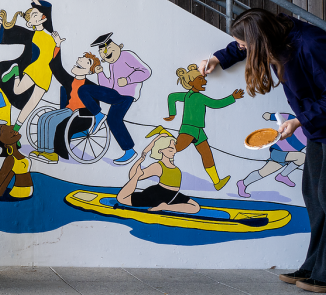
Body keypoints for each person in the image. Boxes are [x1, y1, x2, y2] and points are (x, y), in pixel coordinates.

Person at [200, 8, 326, 292]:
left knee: (325, 197)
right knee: (314, 197)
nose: (242, 49)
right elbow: (243, 44)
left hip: (318, 121)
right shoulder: (274, 36)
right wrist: (221, 57)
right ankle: (315, 266)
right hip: (319, 127)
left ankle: (325, 272)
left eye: (245, 46)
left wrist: (298, 120)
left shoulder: (311, 44)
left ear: (259, 41)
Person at [0, 0, 56, 131]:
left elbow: (47, 11)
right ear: (30, 23)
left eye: (38, 13)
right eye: (34, 16)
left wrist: (35, 0)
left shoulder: (50, 32)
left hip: (47, 74)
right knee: (17, 92)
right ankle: (16, 72)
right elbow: (12, 29)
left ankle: (15, 131)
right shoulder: (33, 35)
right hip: (35, 70)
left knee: (32, 104)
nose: (39, 15)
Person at [165, 64, 243, 191]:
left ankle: (217, 182)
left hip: (199, 131)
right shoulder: (197, 97)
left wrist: (172, 114)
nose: (205, 81)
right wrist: (232, 97)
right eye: (200, 79)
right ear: (191, 82)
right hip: (189, 129)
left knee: (207, 155)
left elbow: (172, 97)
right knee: (174, 149)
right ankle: (161, 137)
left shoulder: (188, 96)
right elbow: (216, 104)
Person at [80, 32, 152, 165]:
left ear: (118, 46)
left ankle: (129, 151)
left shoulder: (126, 55)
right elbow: (109, 85)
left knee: (113, 120)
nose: (105, 53)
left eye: (107, 49)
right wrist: (100, 73)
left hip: (125, 96)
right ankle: (98, 116)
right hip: (116, 94)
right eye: (102, 52)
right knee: (85, 91)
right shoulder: (112, 64)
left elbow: (146, 71)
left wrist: (129, 79)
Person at [117, 130, 200, 214]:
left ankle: (165, 206)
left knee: (196, 207)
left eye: (174, 148)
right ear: (161, 150)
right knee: (122, 198)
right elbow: (133, 175)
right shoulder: (158, 166)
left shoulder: (172, 164)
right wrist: (140, 160)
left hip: (173, 195)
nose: (174, 151)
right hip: (157, 194)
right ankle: (163, 205)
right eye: (170, 149)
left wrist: (158, 138)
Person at [238, 112, 306, 197]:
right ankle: (283, 175)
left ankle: (243, 183)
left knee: (263, 172)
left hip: (288, 156)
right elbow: (282, 117)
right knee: (302, 157)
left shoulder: (313, 136)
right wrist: (269, 116)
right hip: (278, 152)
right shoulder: (294, 120)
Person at [0, 124, 33, 199]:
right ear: (5, 144)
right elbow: (0, 178)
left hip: (27, 193)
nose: (11, 129)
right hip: (19, 193)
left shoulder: (17, 156)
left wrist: (0, 193)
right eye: (3, 131)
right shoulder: (10, 159)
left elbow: (9, 176)